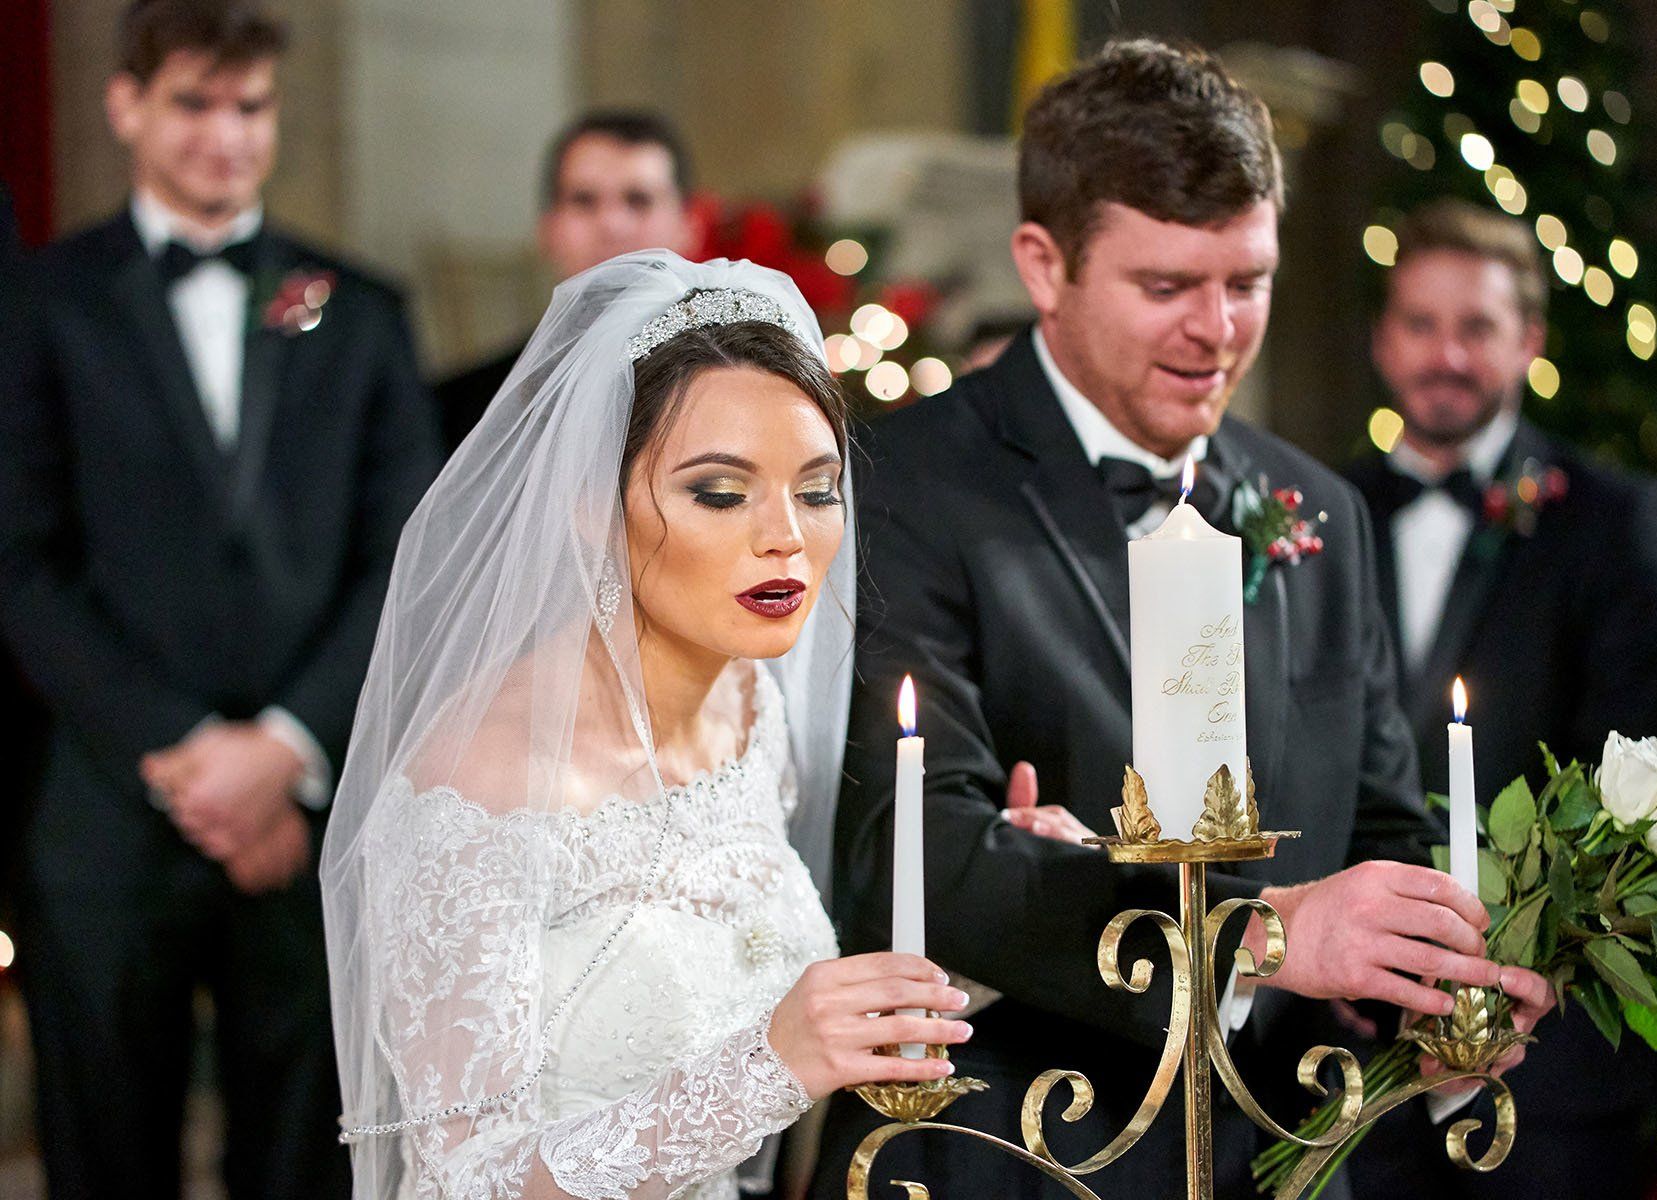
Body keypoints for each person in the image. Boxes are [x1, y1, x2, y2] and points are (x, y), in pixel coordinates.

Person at [810, 39, 1551, 1200]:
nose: (1218, 330)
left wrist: (1432, 968)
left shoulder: (1320, 508)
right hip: (1021, 1150)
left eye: (1246, 281)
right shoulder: (898, 484)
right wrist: (1269, 939)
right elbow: (917, 857)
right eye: (1166, 287)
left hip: (1289, 1157)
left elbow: (1379, 822)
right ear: (1044, 266)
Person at [324, 252, 971, 1200]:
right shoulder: (472, 789)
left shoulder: (753, 714)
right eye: (719, 492)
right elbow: (463, 1182)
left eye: (818, 489)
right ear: (591, 503)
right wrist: (768, 1068)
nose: (783, 534)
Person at [0, 2, 442, 1195]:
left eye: (249, 107)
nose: (225, 136)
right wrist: (190, 753)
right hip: (104, 811)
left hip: (307, 823)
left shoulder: (356, 307)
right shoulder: (41, 303)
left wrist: (285, 750)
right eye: (193, 103)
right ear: (126, 107)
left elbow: (406, 563)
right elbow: (20, 562)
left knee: (303, 1159)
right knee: (102, 1154)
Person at [1341, 198, 1657, 1200]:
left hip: (1549, 1048)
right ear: (1382, 338)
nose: (1445, 354)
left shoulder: (1618, 521)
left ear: (1529, 340)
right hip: (1350, 1046)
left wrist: (1487, 958)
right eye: (1420, 324)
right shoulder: (1322, 513)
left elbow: (1637, 769)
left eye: (1477, 327)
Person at [434, 111, 701, 450]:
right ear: (548, 228)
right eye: (584, 201)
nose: (611, 224)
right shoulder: (462, 407)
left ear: (690, 225)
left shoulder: (742, 383)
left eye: (638, 200)